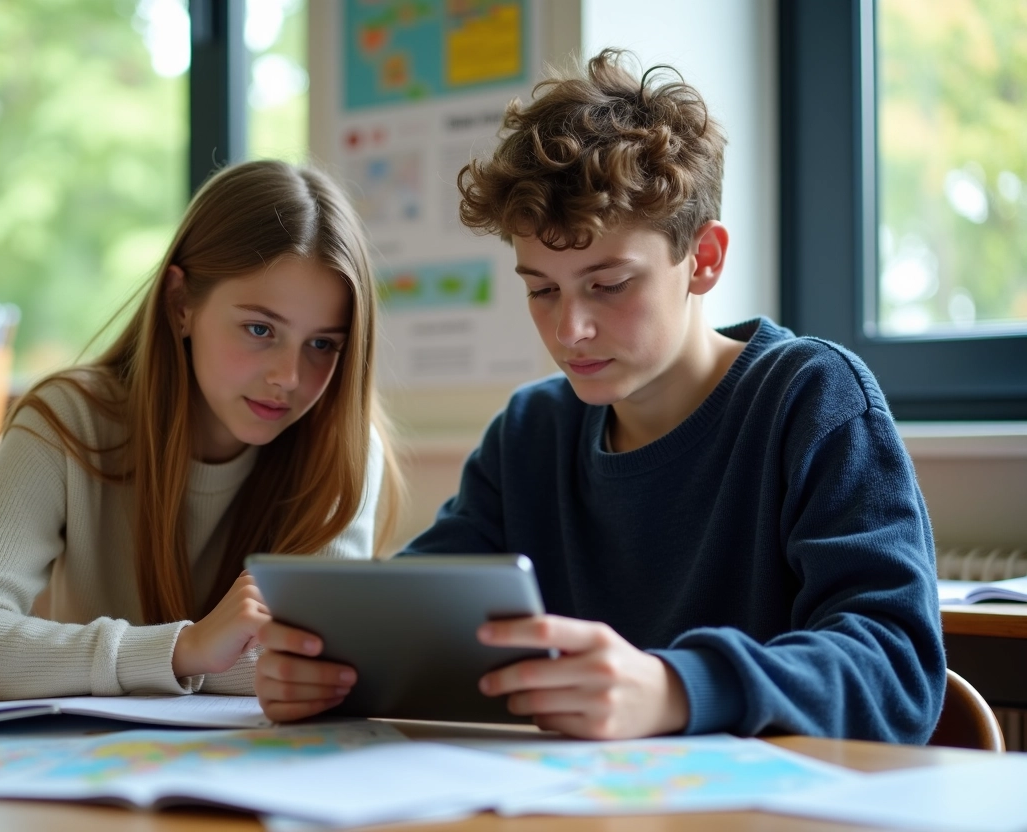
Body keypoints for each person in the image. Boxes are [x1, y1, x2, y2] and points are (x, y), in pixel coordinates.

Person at [255, 49, 946, 742]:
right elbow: (408, 615)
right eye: (541, 290)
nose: (569, 330)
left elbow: (898, 669)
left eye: (608, 285)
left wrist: (677, 688)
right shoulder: (531, 432)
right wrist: (327, 666)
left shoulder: (813, 399)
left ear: (703, 259)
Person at [0, 160, 398, 704]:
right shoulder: (67, 421)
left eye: (323, 344)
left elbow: (325, 667)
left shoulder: (344, 447)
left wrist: (215, 659)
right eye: (260, 329)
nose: (289, 376)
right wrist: (185, 649)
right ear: (180, 303)